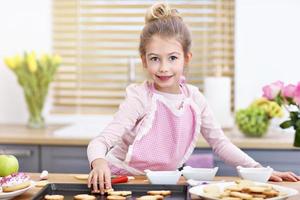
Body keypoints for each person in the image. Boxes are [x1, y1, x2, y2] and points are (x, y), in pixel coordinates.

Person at [87, 2, 300, 193]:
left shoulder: (194, 98)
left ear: (186, 58)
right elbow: (100, 142)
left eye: (172, 58)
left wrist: (260, 170)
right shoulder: (140, 98)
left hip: (163, 183)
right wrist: (99, 163)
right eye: (154, 59)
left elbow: (220, 143)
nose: (163, 68)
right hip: (124, 180)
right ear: (144, 61)